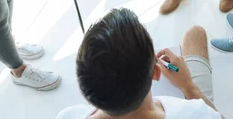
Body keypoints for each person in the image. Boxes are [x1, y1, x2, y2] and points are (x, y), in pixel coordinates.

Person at [56, 8, 222, 118]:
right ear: (156, 73)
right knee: (195, 34)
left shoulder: (67, 116)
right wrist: (188, 87)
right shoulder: (196, 113)